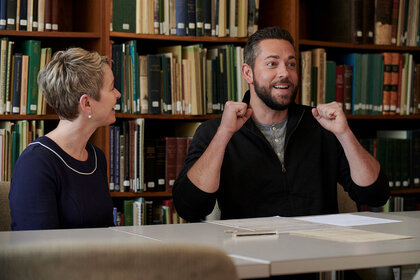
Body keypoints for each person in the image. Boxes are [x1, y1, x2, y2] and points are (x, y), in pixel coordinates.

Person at [172, 26, 390, 222]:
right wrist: (224, 135)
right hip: (250, 257)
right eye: (272, 63)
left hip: (317, 255)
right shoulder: (214, 132)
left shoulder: (322, 126)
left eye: (291, 64)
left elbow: (375, 195)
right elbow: (189, 208)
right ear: (248, 73)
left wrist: (345, 134)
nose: (284, 73)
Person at [9, 47, 121, 230]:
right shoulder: (35, 163)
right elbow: (36, 249)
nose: (118, 94)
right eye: (112, 88)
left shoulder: (96, 158)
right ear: (86, 103)